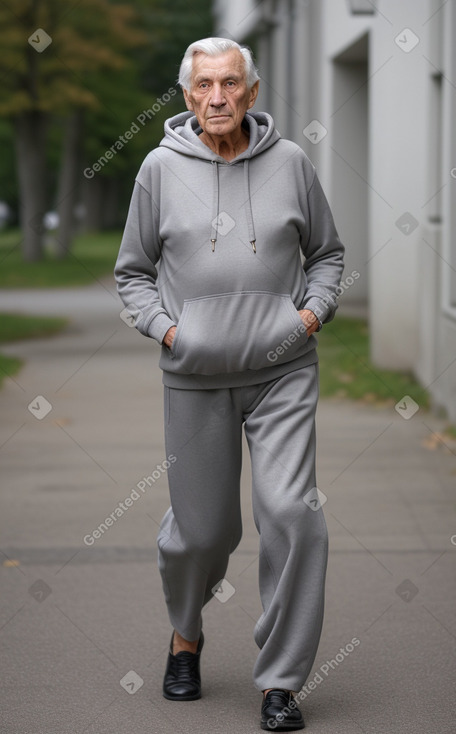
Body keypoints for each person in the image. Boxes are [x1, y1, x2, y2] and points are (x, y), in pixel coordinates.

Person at [115, 37, 345, 732]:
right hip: (194, 379)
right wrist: (170, 331)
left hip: (281, 373)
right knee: (199, 532)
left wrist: (308, 316)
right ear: (186, 96)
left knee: (293, 515)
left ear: (250, 91)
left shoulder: (291, 163)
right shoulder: (158, 169)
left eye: (229, 84)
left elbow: (327, 255)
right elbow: (132, 272)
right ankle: (186, 635)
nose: (217, 97)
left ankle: (279, 683)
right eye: (203, 85)